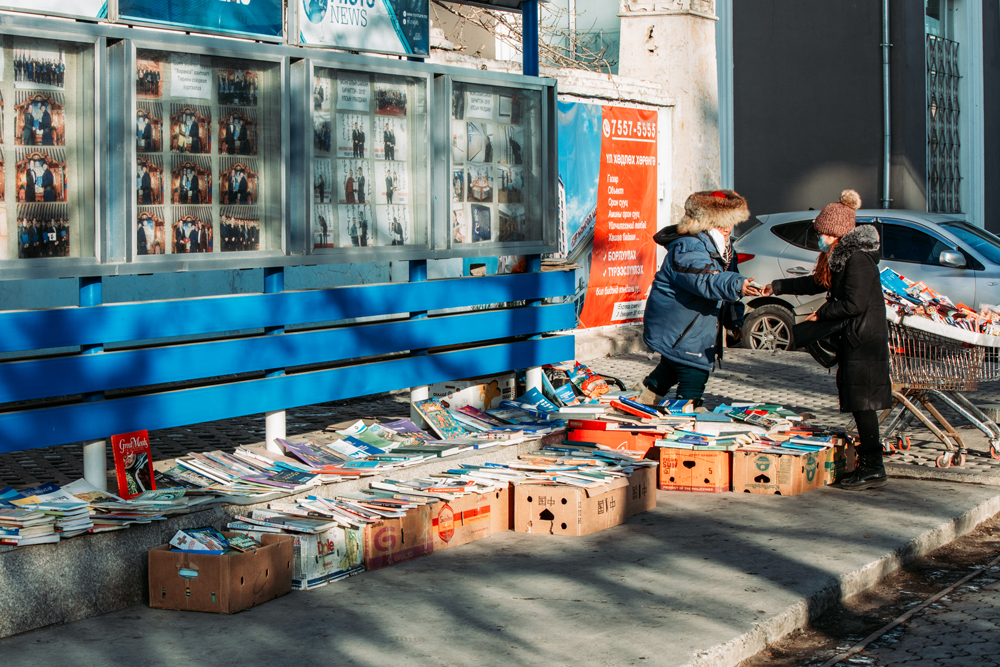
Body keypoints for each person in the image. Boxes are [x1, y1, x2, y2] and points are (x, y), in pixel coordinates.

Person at [763, 190, 891, 490]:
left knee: (864, 403)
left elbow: (854, 303)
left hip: (864, 339)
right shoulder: (840, 257)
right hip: (856, 336)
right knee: (860, 402)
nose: (818, 237)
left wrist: (821, 315)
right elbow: (816, 282)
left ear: (835, 233)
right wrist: (777, 286)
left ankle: (873, 467)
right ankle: (870, 464)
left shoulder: (857, 259)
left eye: (821, 232)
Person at [639, 190, 761, 408]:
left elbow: (726, 283)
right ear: (705, 222)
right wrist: (737, 284)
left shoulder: (724, 248)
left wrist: (734, 320)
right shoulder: (689, 246)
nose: (726, 228)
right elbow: (704, 279)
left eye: (731, 222)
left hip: (693, 326)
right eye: (720, 222)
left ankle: (642, 402)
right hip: (679, 326)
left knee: (672, 367)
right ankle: (686, 420)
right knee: (693, 373)